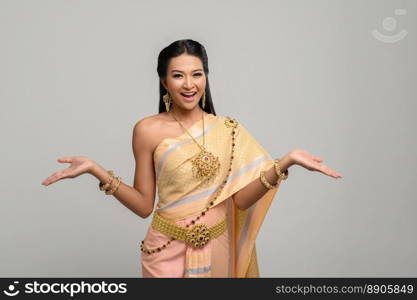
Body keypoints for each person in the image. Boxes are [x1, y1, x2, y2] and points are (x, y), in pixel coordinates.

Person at [41, 39, 342, 278]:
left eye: (197, 74)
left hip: (217, 249)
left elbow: (240, 202)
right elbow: (144, 205)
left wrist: (284, 163)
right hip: (164, 249)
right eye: (178, 75)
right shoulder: (147, 130)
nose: (189, 84)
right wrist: (96, 170)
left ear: (206, 77)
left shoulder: (228, 130)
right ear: (164, 81)